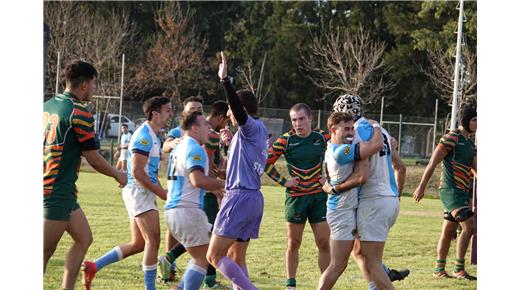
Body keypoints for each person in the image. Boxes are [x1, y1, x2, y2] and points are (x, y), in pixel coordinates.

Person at [43, 60, 127, 290]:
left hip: (62, 189)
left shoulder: (47, 105)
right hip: (55, 190)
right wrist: (117, 174)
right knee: (43, 253)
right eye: (93, 84)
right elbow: (93, 157)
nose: (94, 89)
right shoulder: (79, 113)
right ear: (84, 86)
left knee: (84, 238)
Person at [82, 96, 173, 290]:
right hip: (139, 192)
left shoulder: (154, 135)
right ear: (155, 114)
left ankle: (93, 266)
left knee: (139, 243)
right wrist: (161, 193)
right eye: (167, 110)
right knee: (153, 241)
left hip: (141, 192)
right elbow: (138, 172)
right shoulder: (144, 136)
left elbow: (149, 171)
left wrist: (161, 191)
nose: (170, 114)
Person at [206, 51, 269, 290]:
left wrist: (225, 81)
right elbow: (249, 162)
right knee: (235, 257)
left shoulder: (249, 126)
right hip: (253, 197)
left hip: (239, 197)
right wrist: (229, 146)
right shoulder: (259, 131)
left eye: (231, 110)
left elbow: (239, 112)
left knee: (214, 256)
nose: (229, 114)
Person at [332, 94, 407, 290]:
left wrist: (334, 187)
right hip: (390, 201)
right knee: (359, 251)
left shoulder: (354, 133)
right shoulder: (380, 130)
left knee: (373, 264)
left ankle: (382, 278)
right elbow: (401, 167)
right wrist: (395, 196)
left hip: (373, 200)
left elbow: (361, 174)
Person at [159, 101, 230, 289]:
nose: (209, 127)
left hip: (174, 210)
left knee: (202, 255)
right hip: (187, 210)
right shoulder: (194, 148)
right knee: (203, 258)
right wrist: (227, 185)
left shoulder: (181, 147)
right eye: (204, 125)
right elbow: (197, 180)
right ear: (194, 128)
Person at [264, 103, 330, 290]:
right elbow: (266, 163)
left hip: (319, 197)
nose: (298, 123)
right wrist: (285, 181)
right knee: (294, 243)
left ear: (310, 118)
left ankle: (325, 284)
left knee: (324, 242)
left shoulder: (323, 136)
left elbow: (340, 153)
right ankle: (290, 285)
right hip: (296, 198)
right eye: (294, 120)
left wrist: (330, 177)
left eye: (301, 119)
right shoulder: (285, 140)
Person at [317, 112, 384, 290]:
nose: (351, 133)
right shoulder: (341, 152)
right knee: (337, 265)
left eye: (352, 128)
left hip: (347, 209)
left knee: (361, 253)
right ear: (333, 130)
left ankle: (376, 283)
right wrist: (376, 127)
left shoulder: (335, 147)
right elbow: (376, 145)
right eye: (346, 129)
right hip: (341, 212)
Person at [412, 104, 477, 280]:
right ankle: (459, 269)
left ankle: (439, 269)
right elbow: (432, 163)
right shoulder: (451, 138)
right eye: (473, 120)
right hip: (450, 191)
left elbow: (476, 170)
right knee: (469, 225)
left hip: (462, 192)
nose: (476, 124)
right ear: (465, 120)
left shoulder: (471, 144)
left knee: (449, 231)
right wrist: (422, 186)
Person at [162, 95, 205, 258]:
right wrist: (171, 144)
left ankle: (171, 260)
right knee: (175, 227)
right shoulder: (178, 131)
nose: (196, 112)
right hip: (182, 184)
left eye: (199, 110)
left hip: (200, 183)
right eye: (192, 109)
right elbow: (166, 145)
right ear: (184, 113)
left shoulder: (205, 129)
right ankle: (169, 261)